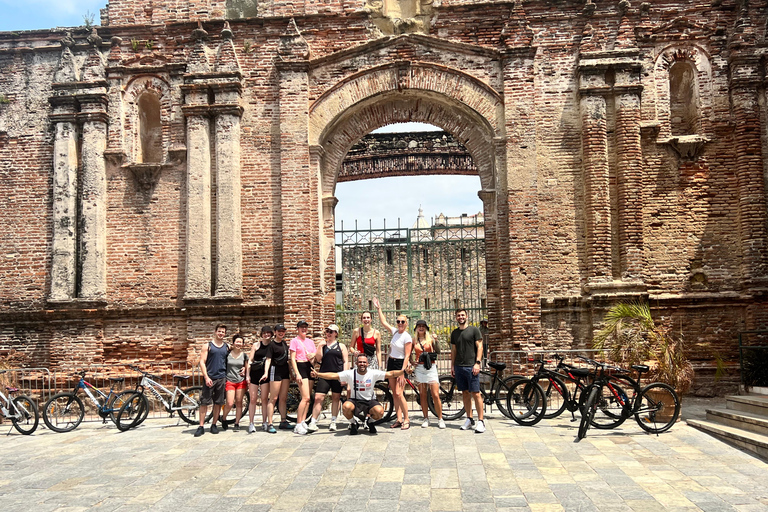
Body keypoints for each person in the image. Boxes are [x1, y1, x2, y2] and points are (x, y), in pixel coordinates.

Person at [312, 353, 405, 435]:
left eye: (364, 362)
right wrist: (318, 374)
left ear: (367, 364)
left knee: (379, 411)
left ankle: (370, 422)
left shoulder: (373, 373)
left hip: (369, 400)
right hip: (355, 400)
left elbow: (391, 374)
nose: (362, 364)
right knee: (346, 407)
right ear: (356, 363)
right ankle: (353, 423)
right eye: (360, 362)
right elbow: (334, 375)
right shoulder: (350, 373)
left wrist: (403, 371)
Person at [373, 297, 412, 430]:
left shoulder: (407, 337)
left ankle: (407, 419)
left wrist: (402, 372)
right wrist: (379, 308)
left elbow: (407, 356)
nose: (400, 323)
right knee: (394, 393)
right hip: (391, 362)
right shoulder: (395, 331)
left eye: (402, 322)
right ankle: (399, 419)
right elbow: (383, 322)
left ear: (406, 323)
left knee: (399, 393)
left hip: (400, 365)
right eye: (398, 321)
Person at [308, 324, 348, 432]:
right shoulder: (323, 345)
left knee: (336, 397)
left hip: (337, 375)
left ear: (336, 333)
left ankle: (333, 421)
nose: (329, 333)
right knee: (318, 397)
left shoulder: (341, 346)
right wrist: (320, 347)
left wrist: (344, 376)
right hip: (324, 374)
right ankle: (313, 421)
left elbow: (345, 361)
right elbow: (319, 359)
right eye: (327, 331)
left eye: (331, 332)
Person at [450, 308, 485, 433]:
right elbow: (453, 350)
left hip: (471, 366)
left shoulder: (474, 330)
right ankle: (469, 419)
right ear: (456, 317)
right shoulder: (454, 333)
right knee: (464, 393)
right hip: (459, 366)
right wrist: (452, 366)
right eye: (458, 315)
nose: (460, 317)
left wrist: (477, 363)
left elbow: (480, 346)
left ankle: (481, 421)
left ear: (467, 316)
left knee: (476, 393)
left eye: (462, 315)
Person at [195, 324, 229, 437]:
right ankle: (201, 426)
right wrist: (206, 377)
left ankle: (214, 424)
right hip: (209, 377)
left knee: (218, 402)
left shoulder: (227, 347)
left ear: (225, 333)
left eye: (223, 332)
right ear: (215, 332)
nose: (221, 333)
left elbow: (234, 358)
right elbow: (202, 362)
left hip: (221, 377)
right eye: (219, 331)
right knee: (204, 402)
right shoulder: (207, 346)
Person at [412, 319, 445, 429]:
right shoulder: (414, 340)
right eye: (419, 326)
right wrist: (412, 362)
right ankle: (426, 418)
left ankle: (440, 418)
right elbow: (408, 353)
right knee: (423, 394)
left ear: (426, 328)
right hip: (420, 368)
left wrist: (436, 341)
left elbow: (438, 351)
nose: (421, 328)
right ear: (416, 328)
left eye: (423, 326)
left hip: (430, 367)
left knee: (435, 394)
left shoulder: (430, 339)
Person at [259, 324, 293, 431]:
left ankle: (283, 420)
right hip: (275, 371)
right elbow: (268, 360)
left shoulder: (284, 344)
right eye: (279, 331)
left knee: (283, 398)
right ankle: (270, 423)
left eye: (283, 331)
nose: (281, 333)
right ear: (275, 332)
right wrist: (266, 373)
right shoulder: (272, 345)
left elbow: (287, 359)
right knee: (273, 398)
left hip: (285, 372)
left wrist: (291, 372)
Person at [289, 320, 317, 435]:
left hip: (308, 366)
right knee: (304, 397)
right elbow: (292, 359)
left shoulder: (310, 342)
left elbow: (315, 356)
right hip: (300, 366)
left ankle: (303, 420)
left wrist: (313, 356)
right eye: (301, 327)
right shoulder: (294, 341)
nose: (304, 329)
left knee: (308, 398)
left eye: (305, 327)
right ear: (298, 329)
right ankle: (298, 423)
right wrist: (297, 373)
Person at [247, 325, 274, 433]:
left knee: (264, 399)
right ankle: (251, 423)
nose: (266, 335)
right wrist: (247, 375)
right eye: (264, 333)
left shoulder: (271, 346)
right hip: (255, 373)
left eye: (268, 333)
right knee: (253, 399)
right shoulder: (256, 345)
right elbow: (250, 360)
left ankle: (264, 422)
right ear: (261, 334)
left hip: (265, 375)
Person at [221, 333, 248, 432]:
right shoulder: (227, 354)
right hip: (230, 380)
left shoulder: (244, 355)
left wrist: (245, 369)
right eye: (237, 342)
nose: (239, 344)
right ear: (233, 343)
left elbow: (246, 366)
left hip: (240, 381)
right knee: (229, 402)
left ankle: (237, 423)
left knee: (239, 402)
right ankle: (224, 418)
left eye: (240, 342)